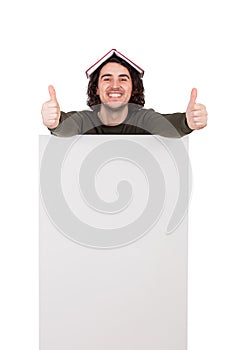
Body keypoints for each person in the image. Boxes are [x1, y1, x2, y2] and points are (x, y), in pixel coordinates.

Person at [41, 49, 207, 137]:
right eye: (107, 79)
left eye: (123, 79)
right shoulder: (84, 121)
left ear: (133, 87)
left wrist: (188, 122)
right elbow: (65, 128)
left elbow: (167, 126)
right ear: (96, 89)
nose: (115, 85)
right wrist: (54, 122)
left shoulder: (144, 119)